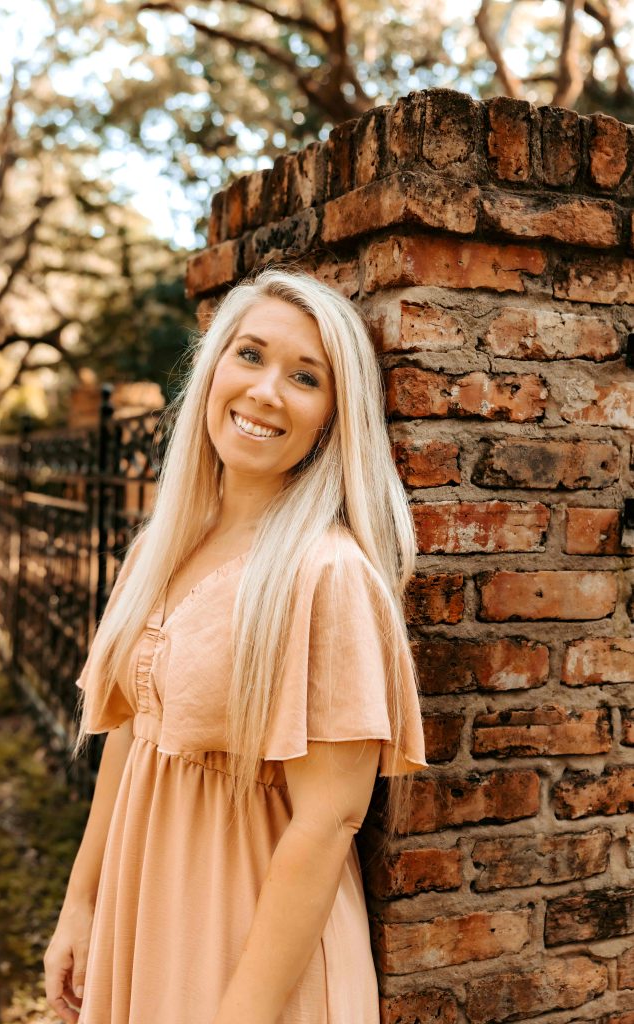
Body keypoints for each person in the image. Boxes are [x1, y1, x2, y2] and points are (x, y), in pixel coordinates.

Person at [44, 267, 428, 1024]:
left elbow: (327, 824)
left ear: (332, 415)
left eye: (304, 377)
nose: (264, 391)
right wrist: (80, 905)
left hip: (250, 962)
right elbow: (129, 735)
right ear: (213, 366)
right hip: (140, 921)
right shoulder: (162, 544)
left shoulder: (328, 574)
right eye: (248, 355)